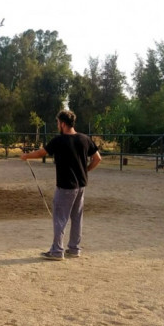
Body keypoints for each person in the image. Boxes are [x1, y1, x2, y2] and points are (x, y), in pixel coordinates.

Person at [21, 110, 102, 261]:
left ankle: (57, 250)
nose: (58, 125)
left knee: (60, 218)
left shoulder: (59, 141)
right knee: (77, 217)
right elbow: (97, 158)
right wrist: (86, 170)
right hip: (81, 185)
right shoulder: (85, 139)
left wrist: (26, 156)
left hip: (65, 186)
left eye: (58, 122)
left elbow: (41, 153)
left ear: (63, 124)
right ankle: (74, 248)